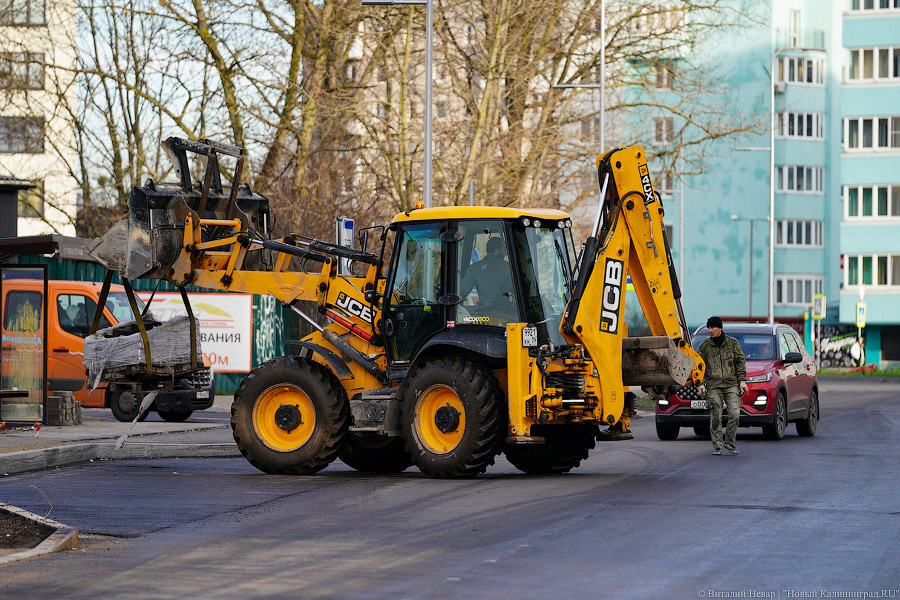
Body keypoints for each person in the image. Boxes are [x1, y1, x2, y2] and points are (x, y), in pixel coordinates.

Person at [698, 316, 748, 456]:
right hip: (713, 385)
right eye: (708, 328)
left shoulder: (732, 343)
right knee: (716, 416)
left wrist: (742, 381)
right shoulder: (705, 346)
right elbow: (700, 366)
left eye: (713, 327)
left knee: (735, 413)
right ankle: (717, 446)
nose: (710, 330)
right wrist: (701, 384)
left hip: (731, 384)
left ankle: (729, 442)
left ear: (720, 328)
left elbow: (740, 362)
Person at [459, 236, 515, 320]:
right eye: (504, 250)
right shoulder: (510, 267)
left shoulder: (474, 268)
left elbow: (462, 291)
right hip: (507, 315)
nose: (506, 253)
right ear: (497, 251)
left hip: (485, 316)